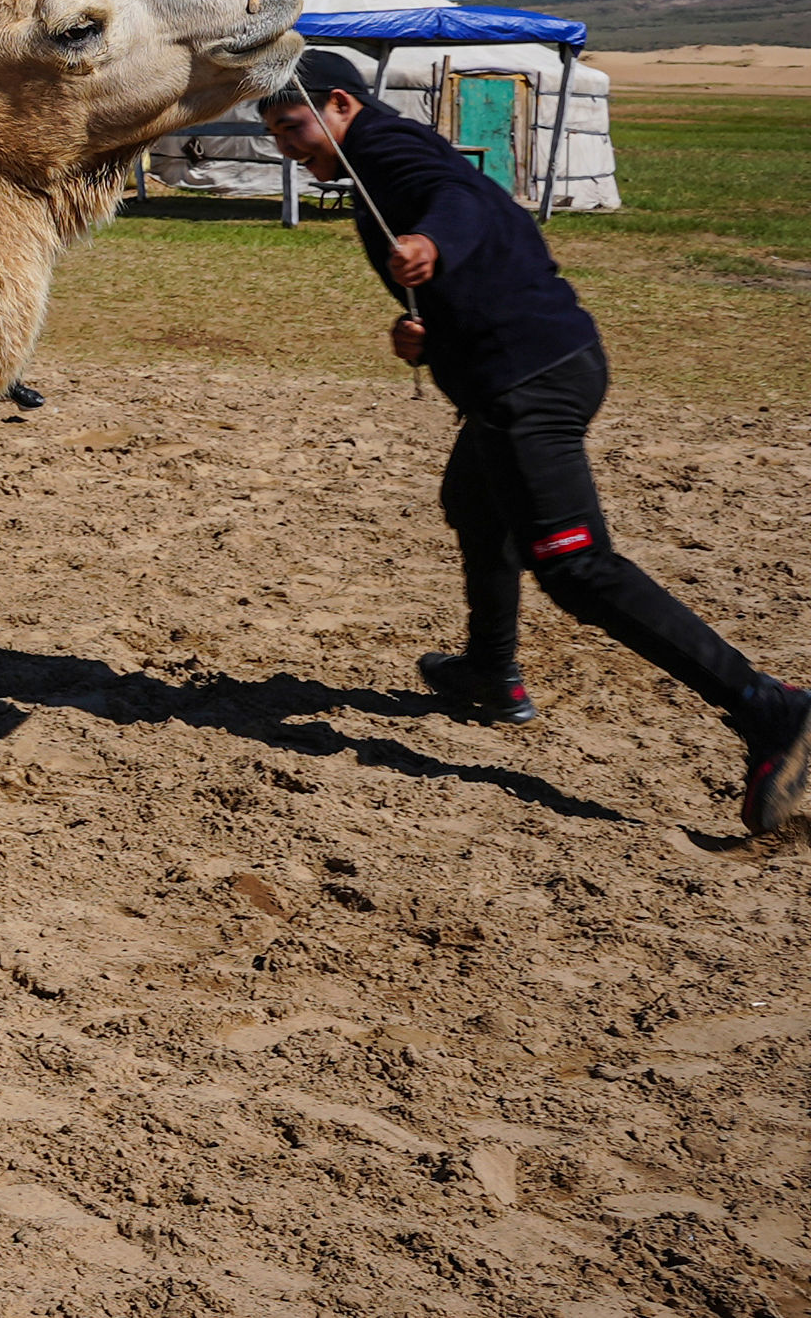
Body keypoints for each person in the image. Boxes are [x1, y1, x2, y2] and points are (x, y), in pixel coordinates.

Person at [260, 48, 808, 837]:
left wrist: (435, 245)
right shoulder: (380, 152)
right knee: (473, 503)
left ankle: (768, 705)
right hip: (525, 369)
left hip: (532, 380)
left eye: (292, 126)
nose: (288, 147)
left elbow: (459, 202)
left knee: (576, 567)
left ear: (341, 102)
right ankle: (490, 671)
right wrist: (430, 328)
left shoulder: (383, 149)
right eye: (276, 134)